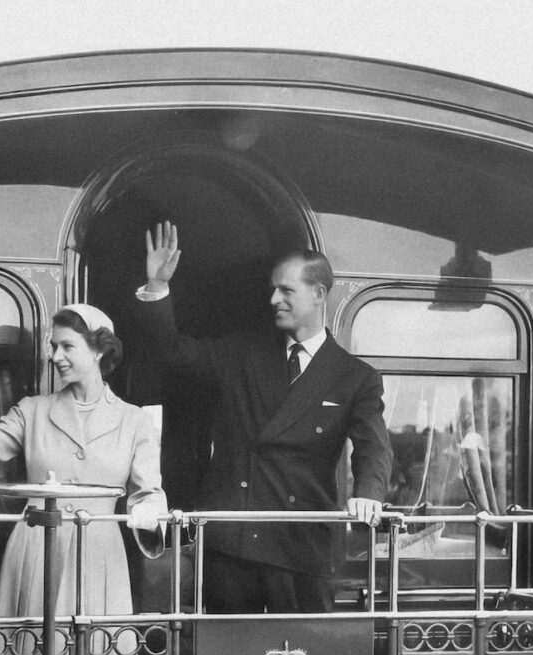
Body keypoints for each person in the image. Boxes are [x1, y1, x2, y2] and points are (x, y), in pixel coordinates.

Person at [135, 221, 392, 613]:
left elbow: (374, 448)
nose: (274, 299)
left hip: (300, 550)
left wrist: (369, 497)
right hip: (231, 548)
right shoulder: (244, 354)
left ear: (318, 294)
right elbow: (171, 352)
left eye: (286, 290)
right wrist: (157, 287)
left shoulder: (354, 377)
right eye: (274, 289)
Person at [0, 304, 168, 626]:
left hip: (100, 554)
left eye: (67, 346)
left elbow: (149, 493)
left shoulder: (134, 421)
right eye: (53, 346)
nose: (55, 356)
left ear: (99, 350)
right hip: (36, 546)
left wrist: (149, 513)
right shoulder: (32, 411)